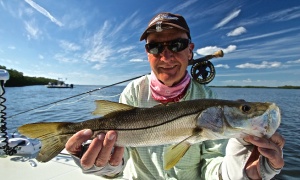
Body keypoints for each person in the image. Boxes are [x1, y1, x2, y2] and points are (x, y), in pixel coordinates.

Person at [65, 12, 285, 179]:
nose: (166, 55)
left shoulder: (207, 96)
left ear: (190, 51)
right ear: (147, 54)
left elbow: (212, 167)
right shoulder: (132, 92)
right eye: (155, 47)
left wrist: (245, 172)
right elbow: (121, 160)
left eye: (176, 44)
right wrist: (107, 166)